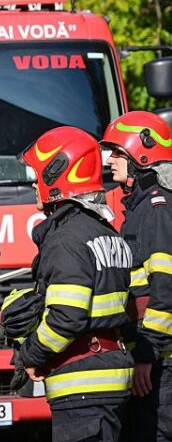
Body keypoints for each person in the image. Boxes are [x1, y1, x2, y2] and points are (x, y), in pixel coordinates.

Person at [18, 126, 133, 441]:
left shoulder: (66, 238)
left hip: (82, 385)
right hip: (112, 378)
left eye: (38, 173)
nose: (33, 182)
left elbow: (67, 317)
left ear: (57, 175)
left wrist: (30, 354)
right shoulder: (108, 232)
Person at [100, 111, 172, 441]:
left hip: (161, 364)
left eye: (117, 153)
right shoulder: (142, 207)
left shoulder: (156, 211)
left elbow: (166, 290)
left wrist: (146, 353)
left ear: (140, 155)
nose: (109, 160)